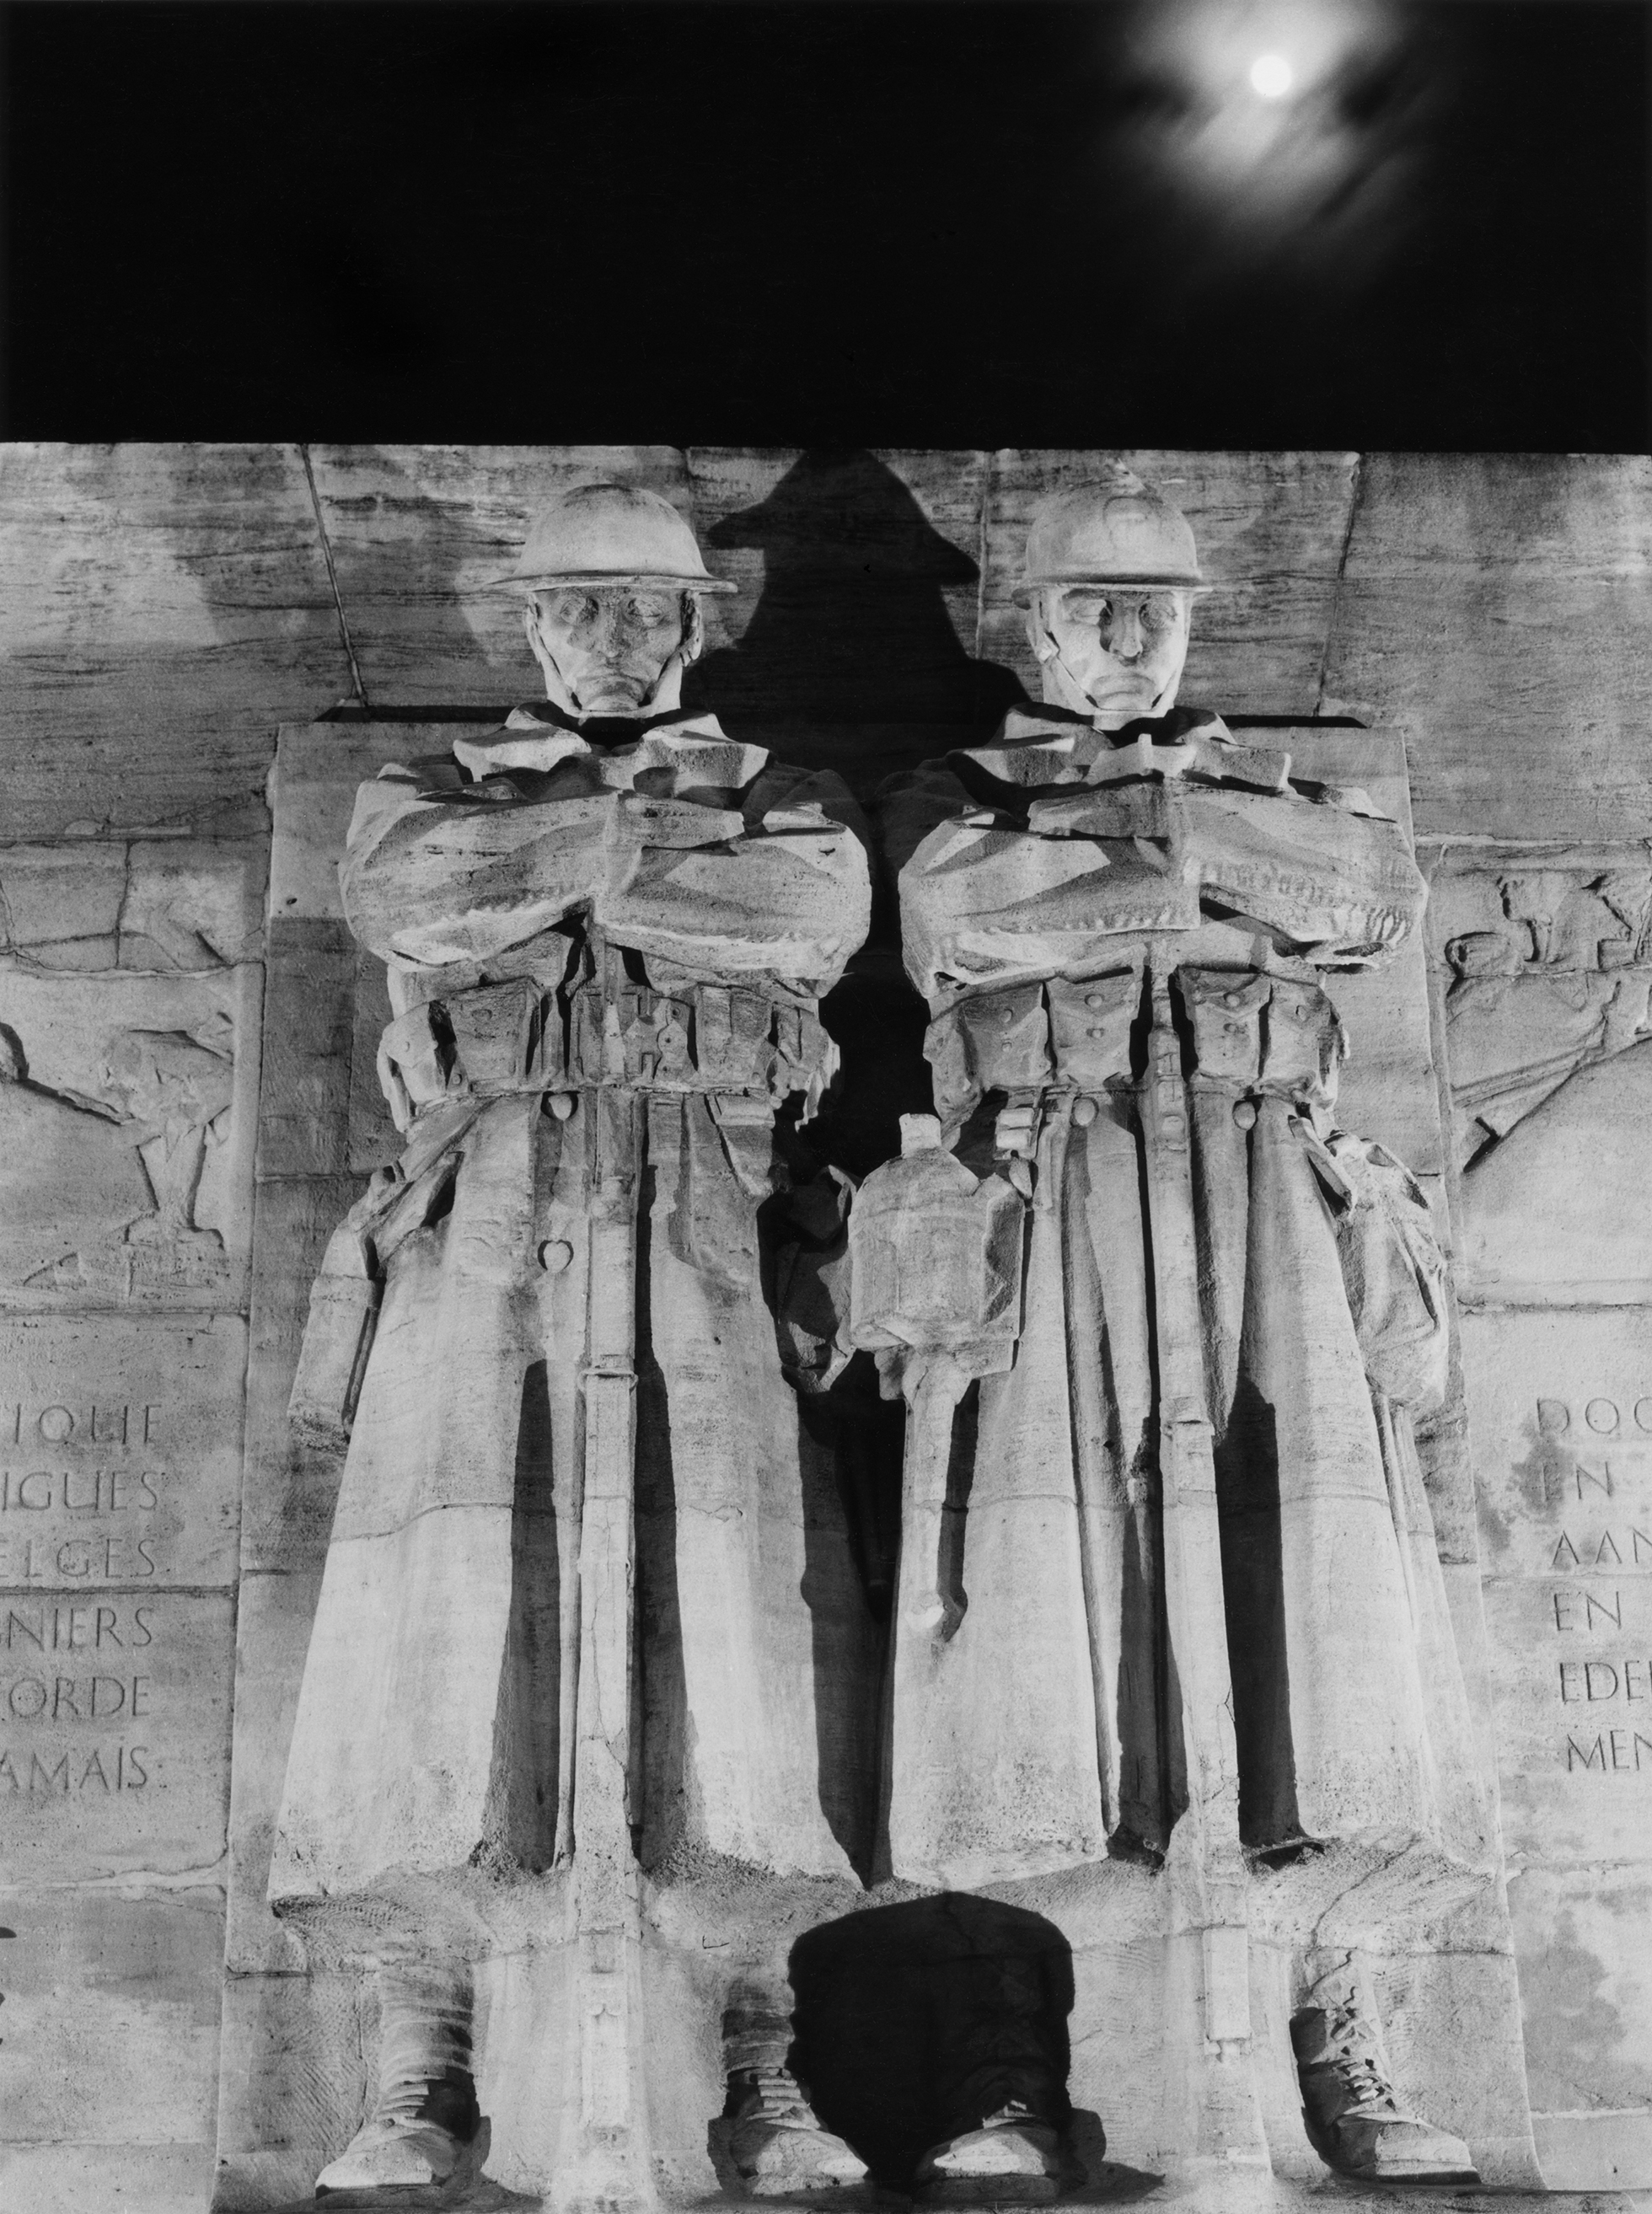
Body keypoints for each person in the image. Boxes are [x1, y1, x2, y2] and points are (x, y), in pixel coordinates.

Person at [872, 465, 1487, 2186]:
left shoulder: (1282, 778)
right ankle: (1022, 2050)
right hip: (1054, 1201)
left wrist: (1137, 848)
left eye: (1156, 608)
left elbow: (1359, 900)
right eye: (1092, 606)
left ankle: (1336, 2032)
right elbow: (960, 920)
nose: (1129, 635)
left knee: (1317, 1628)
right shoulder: (955, 786)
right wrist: (1200, 870)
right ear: (1031, 624)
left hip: (1259, 1211)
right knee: (1036, 1635)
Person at [271, 482, 876, 2197]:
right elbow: (412, 900)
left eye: (647, 610)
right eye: (584, 607)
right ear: (534, 622)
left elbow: (804, 917)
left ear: (695, 626)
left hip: (700, 1215)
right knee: (446, 1640)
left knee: (731, 1652)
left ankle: (760, 2064)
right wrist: (642, 854)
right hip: (485, 1229)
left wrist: (560, 874)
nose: (616, 636)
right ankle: (418, 2060)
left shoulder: (787, 797)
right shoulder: (432, 788)